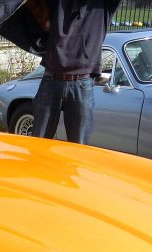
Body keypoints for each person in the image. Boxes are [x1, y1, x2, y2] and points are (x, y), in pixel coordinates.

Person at [32, 0, 121, 145]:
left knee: (78, 147)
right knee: (38, 143)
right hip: (51, 80)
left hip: (82, 83)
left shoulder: (103, 5)